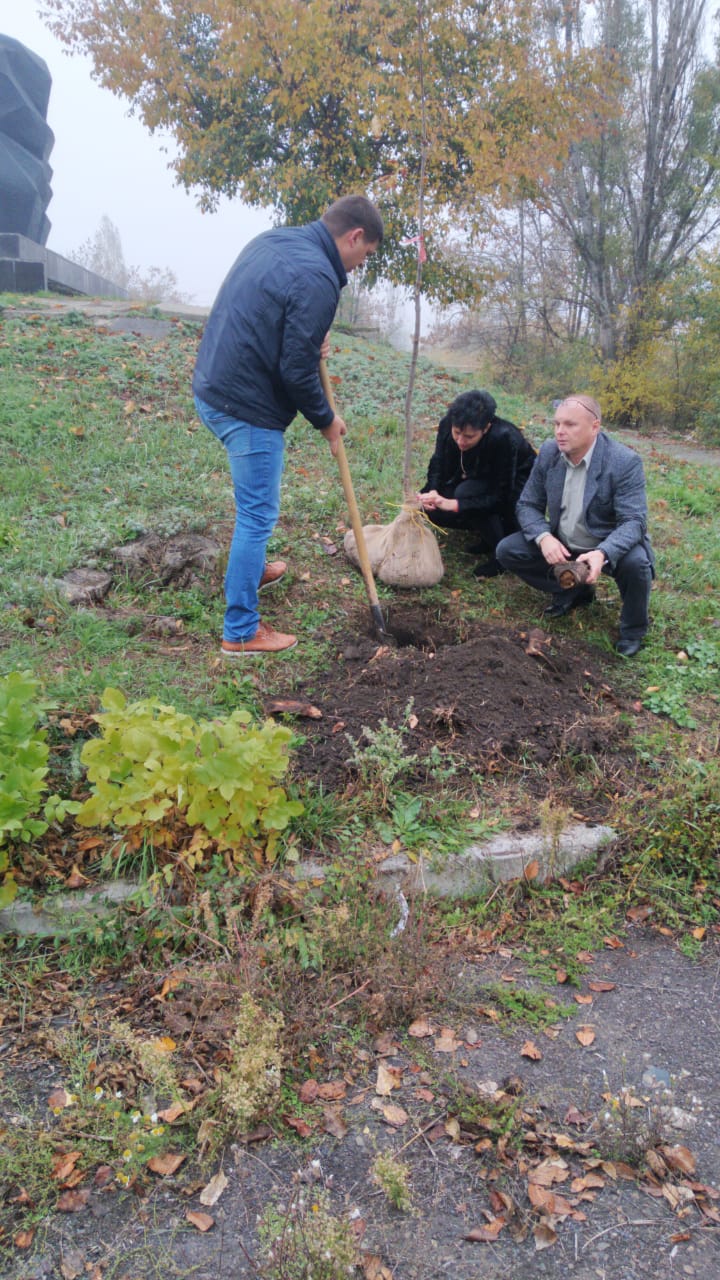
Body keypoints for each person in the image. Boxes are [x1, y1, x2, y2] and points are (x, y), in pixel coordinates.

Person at [193, 195, 384, 655]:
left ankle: (249, 569)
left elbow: (274, 318)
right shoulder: (318, 276)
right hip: (245, 405)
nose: (362, 264)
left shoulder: (277, 240)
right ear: (354, 236)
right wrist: (326, 420)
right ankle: (240, 632)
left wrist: (307, 339)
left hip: (213, 384)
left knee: (254, 508)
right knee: (258, 513)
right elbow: (296, 372)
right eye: (366, 254)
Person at [495, 394, 654, 656]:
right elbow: (527, 504)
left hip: (605, 543)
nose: (560, 431)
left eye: (570, 425)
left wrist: (603, 553)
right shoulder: (549, 452)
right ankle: (574, 588)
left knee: (637, 564)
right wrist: (544, 537)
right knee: (508, 550)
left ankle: (633, 630)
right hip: (564, 541)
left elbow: (634, 521)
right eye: (557, 423)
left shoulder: (623, 462)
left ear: (595, 426)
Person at [417, 389, 536, 577]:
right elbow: (438, 461)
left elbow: (501, 495)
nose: (460, 441)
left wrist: (457, 505)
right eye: (457, 433)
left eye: (469, 437)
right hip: (478, 472)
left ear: (486, 428)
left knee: (467, 494)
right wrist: (432, 490)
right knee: (434, 510)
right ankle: (484, 533)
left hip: (515, 479)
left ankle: (501, 553)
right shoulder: (448, 424)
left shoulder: (504, 437)